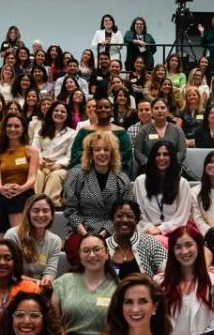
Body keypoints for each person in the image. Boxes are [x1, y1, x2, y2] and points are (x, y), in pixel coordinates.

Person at [62, 131, 134, 263]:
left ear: (112, 153)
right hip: (82, 229)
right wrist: (86, 235)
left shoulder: (122, 178)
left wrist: (103, 233)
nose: (102, 153)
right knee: (76, 250)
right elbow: (70, 210)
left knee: (116, 252)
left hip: (113, 230)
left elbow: (125, 213)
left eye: (106, 149)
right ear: (90, 153)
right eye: (97, 149)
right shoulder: (76, 174)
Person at [53, 232, 121, 335]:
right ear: (79, 255)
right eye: (86, 251)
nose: (92, 255)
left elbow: (121, 326)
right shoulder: (63, 282)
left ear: (107, 254)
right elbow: (54, 321)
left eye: (97, 249)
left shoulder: (119, 287)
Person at [156, 225, 214, 335]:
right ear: (172, 251)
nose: (184, 251)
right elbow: (155, 321)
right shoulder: (159, 282)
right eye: (178, 247)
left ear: (198, 247)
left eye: (189, 245)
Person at [133, 140, 193, 247]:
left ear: (172, 158)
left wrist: (161, 229)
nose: (161, 158)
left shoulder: (182, 183)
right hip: (147, 232)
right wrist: (149, 229)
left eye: (166, 154)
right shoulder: (140, 182)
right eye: (157, 154)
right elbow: (138, 214)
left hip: (176, 232)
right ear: (152, 158)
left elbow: (182, 216)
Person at [0, 113, 40, 231]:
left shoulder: (31, 151)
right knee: (6, 198)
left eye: (17, 126)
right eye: (9, 126)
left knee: (12, 199)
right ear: (4, 128)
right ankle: (12, 239)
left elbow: (32, 178)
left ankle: (13, 238)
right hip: (4, 192)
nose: (12, 129)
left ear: (23, 129)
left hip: (25, 193)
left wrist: (20, 188)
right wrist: (2, 189)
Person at [4, 194, 63, 289]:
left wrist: (47, 280)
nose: (41, 215)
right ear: (28, 213)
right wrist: (35, 282)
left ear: (52, 215)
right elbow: (10, 271)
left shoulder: (55, 241)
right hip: (14, 286)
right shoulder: (12, 235)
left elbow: (50, 270)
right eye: (36, 211)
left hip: (39, 288)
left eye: (45, 211)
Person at [68, 98, 135, 173]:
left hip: (114, 170)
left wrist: (106, 163)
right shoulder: (84, 131)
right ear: (96, 110)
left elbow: (126, 153)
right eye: (100, 107)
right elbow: (75, 152)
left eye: (106, 107)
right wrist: (94, 162)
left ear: (111, 110)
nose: (103, 109)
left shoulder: (121, 131)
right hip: (86, 168)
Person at [30, 100, 77, 206]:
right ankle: (34, 205)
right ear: (51, 112)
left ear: (67, 115)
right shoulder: (41, 130)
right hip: (41, 164)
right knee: (37, 174)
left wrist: (60, 164)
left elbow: (70, 155)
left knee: (55, 176)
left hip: (61, 167)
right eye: (56, 110)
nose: (59, 113)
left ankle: (52, 205)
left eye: (63, 112)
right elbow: (35, 149)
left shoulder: (72, 134)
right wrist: (39, 159)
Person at [106, 198, 167, 279]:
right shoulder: (103, 246)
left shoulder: (151, 243)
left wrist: (152, 283)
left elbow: (168, 272)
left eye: (130, 216)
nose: (124, 220)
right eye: (119, 216)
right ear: (112, 219)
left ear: (137, 220)